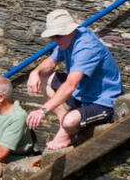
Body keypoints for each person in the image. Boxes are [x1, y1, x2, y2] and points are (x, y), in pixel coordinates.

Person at [26, 9, 123, 151]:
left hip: (103, 102)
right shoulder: (67, 40)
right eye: (53, 37)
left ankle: (66, 128)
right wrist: (35, 72)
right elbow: (51, 62)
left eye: (58, 36)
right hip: (82, 94)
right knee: (43, 76)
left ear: (69, 31)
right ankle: (63, 126)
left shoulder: (86, 48)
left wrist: (42, 111)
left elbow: (70, 85)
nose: (55, 41)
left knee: (70, 121)